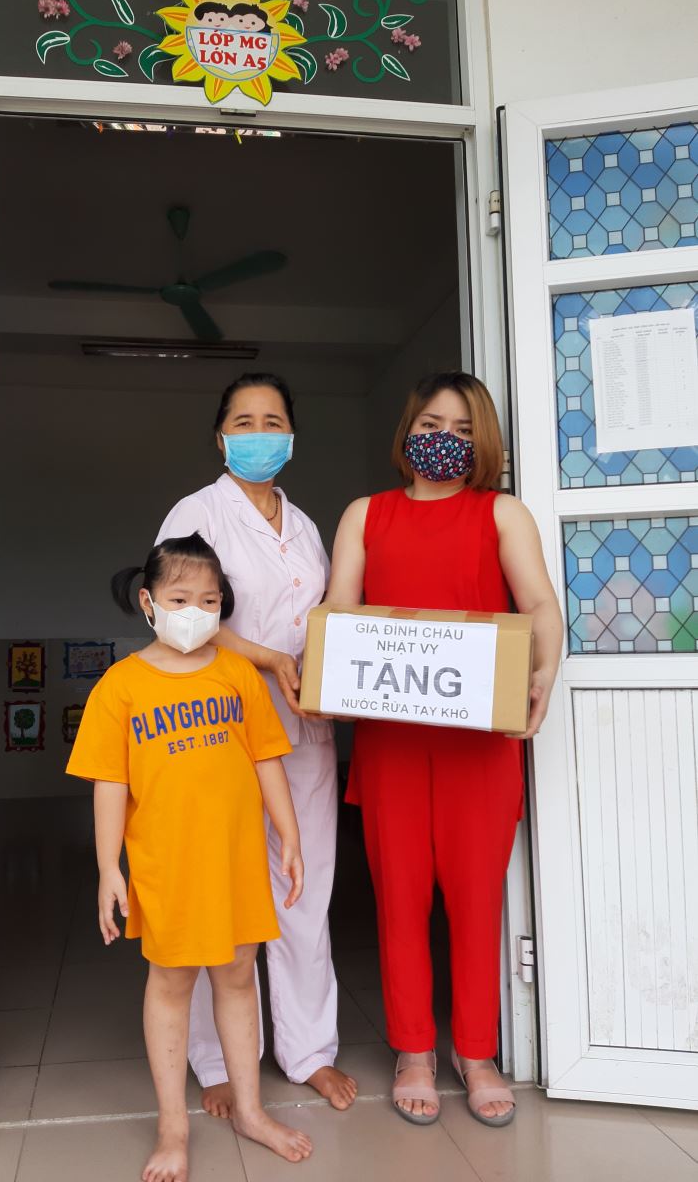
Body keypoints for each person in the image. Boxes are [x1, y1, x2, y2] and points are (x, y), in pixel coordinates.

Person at [326, 371, 563, 1128]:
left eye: (463, 430)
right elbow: (339, 610)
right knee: (399, 898)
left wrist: (544, 672)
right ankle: (413, 1050)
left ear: (483, 441)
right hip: (391, 741)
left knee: (475, 899)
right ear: (407, 431)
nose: (445, 440)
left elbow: (539, 604)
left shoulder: (502, 513)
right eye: (432, 424)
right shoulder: (366, 514)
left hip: (480, 745)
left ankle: (478, 1052)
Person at [67, 533, 313, 1182]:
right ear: (148, 603)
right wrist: (108, 868)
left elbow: (266, 760)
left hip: (235, 862)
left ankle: (251, 1111)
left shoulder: (237, 674)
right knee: (172, 985)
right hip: (165, 868)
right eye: (180, 599)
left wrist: (289, 836)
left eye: (209, 600)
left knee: (238, 976)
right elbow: (109, 784)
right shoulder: (121, 686)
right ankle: (172, 1127)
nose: (196, 612)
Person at [157, 374, 357, 1115]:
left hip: (302, 728)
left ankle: (309, 1052)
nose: (259, 432)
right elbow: (183, 612)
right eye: (244, 421)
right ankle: (215, 1061)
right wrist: (270, 660)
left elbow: (327, 621)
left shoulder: (303, 526)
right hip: (220, 722)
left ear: (292, 436)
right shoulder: (198, 512)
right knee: (221, 887)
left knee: (305, 886)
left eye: (273, 420)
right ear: (220, 437)